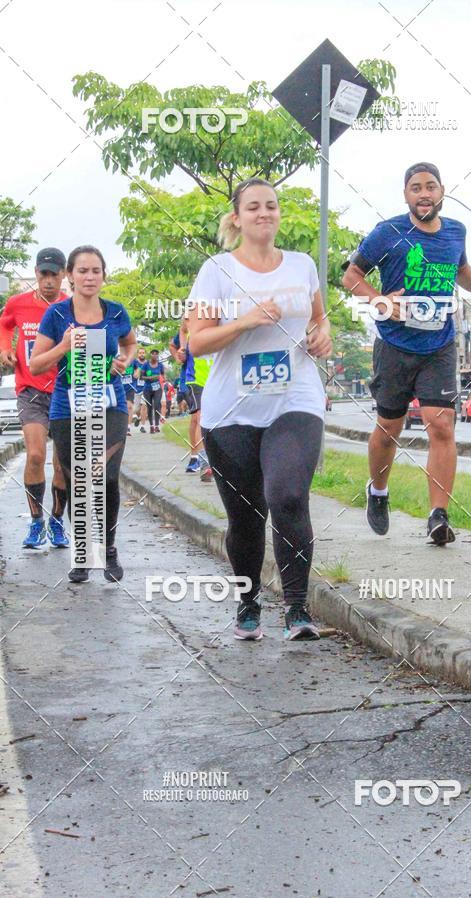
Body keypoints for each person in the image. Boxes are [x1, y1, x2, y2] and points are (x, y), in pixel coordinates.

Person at [188, 177, 332, 641]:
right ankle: (248, 602)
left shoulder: (302, 265)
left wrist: (323, 335)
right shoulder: (217, 270)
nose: (264, 213)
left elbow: (319, 317)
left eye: (271, 205)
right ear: (238, 217)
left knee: (288, 495)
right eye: (253, 207)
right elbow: (197, 341)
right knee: (246, 519)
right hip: (231, 410)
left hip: (295, 399)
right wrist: (247, 320)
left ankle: (297, 609)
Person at [342, 162, 471, 545]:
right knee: (389, 429)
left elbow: (458, 269)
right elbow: (351, 277)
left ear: (442, 191)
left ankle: (438, 516)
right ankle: (378, 490)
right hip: (395, 345)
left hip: (439, 344)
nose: (424, 194)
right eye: (415, 188)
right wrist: (378, 299)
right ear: (406, 195)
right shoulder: (388, 232)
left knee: (441, 424)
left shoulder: (456, 232)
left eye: (430, 186)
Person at [30, 245, 137, 583]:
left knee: (105, 476)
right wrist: (63, 346)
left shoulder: (117, 313)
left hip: (110, 403)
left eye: (96, 271)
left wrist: (125, 360)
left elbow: (130, 344)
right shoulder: (57, 315)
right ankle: (83, 551)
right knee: (78, 481)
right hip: (68, 406)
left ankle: (108, 549)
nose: (89, 277)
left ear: (104, 276)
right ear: (70, 276)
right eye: (82, 271)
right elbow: (35, 365)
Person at [0, 248, 70, 549]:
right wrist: (5, 348)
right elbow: (4, 324)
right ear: (36, 273)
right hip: (30, 390)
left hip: (65, 390)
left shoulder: (73, 305)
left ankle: (56, 521)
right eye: (44, 274)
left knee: (62, 463)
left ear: (65, 275)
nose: (49, 281)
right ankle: (35, 522)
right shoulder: (18, 303)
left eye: (55, 274)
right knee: (36, 455)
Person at [177, 318, 212, 478]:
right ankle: (204, 463)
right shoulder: (191, 318)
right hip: (195, 379)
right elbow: (182, 330)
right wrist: (182, 349)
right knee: (199, 417)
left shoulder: (222, 318)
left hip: (216, 378)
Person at [140, 349, 164, 433]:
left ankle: (157, 425)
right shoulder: (146, 365)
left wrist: (161, 379)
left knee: (157, 405)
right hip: (147, 389)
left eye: (156, 354)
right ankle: (151, 426)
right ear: (150, 355)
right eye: (153, 354)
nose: (155, 355)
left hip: (157, 388)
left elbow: (163, 376)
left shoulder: (160, 365)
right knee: (149, 407)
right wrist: (151, 378)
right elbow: (141, 377)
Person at [131, 347, 148, 431]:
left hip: (146, 389)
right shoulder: (134, 362)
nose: (142, 354)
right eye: (140, 353)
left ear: (145, 354)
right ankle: (138, 417)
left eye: (143, 353)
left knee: (144, 407)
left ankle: (143, 426)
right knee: (136, 409)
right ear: (137, 354)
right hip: (136, 388)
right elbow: (134, 375)